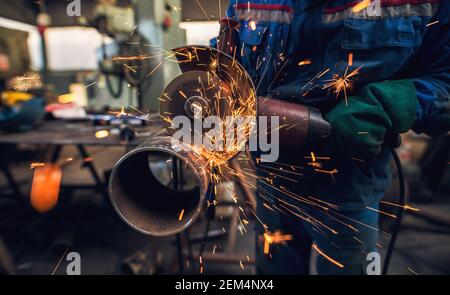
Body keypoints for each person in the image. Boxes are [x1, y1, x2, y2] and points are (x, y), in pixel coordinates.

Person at [216, 0, 450, 274]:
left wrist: (389, 103)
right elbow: (230, 55)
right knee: (274, 265)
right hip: (270, 179)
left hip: (349, 182)